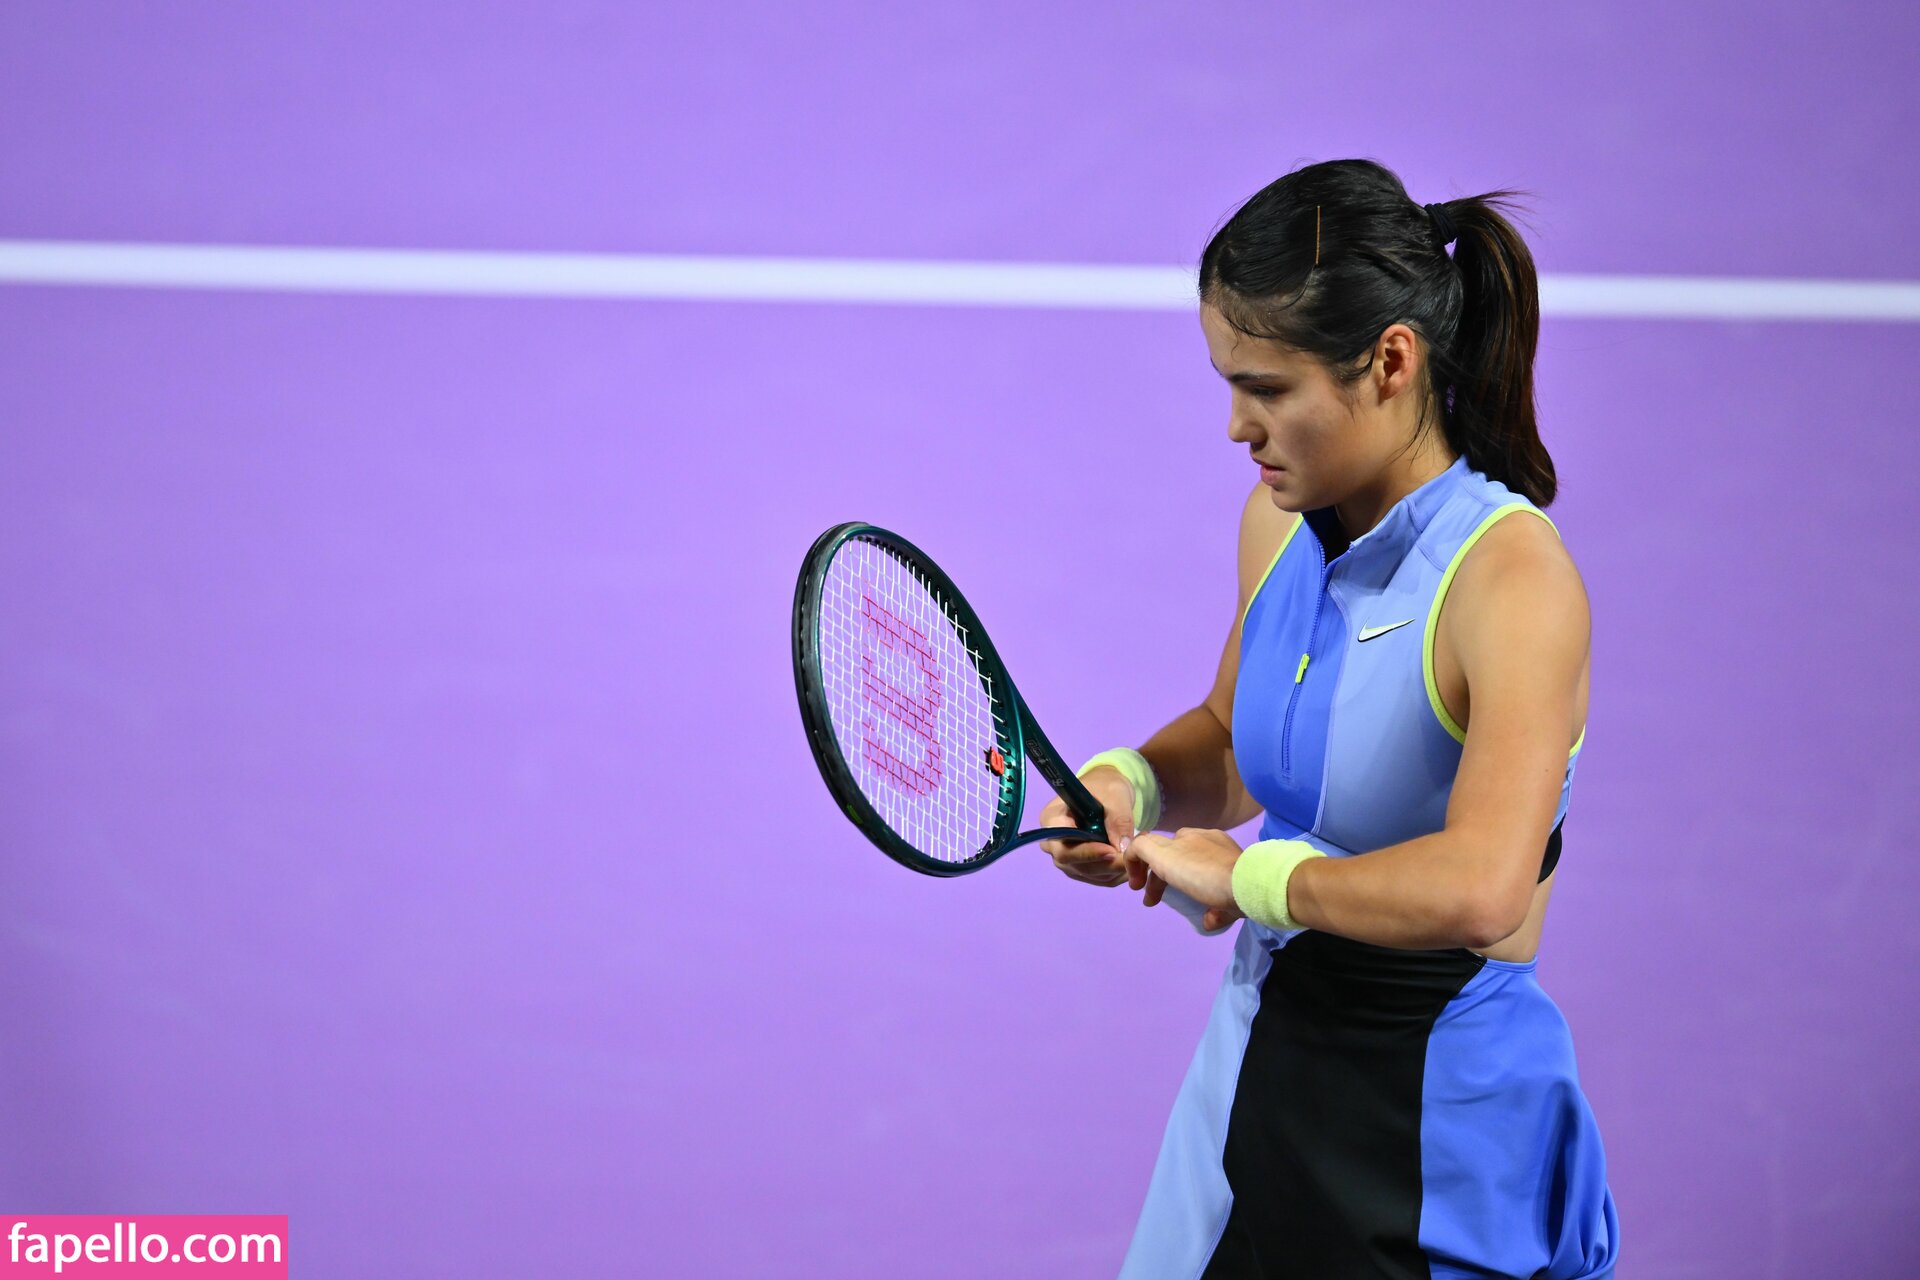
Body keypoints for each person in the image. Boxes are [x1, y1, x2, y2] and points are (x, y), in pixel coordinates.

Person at [1038, 159, 1620, 1279]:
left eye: (1266, 388)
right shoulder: (1277, 521)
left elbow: (1483, 887)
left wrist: (1251, 878)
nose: (1236, 427)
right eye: (1228, 384)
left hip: (1433, 1118)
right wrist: (1129, 784)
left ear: (1391, 361)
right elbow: (1233, 735)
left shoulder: (1511, 582)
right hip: (1251, 1075)